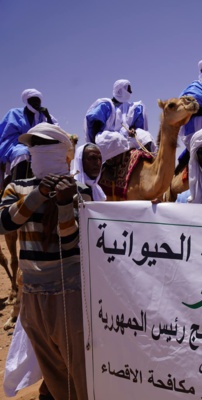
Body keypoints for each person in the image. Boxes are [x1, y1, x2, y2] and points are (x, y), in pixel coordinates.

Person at [0, 122, 91, 400]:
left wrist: (65, 204)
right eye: (34, 146)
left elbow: (71, 242)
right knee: (52, 369)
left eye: (45, 145)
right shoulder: (17, 188)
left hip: (71, 293)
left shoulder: (81, 192)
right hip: (33, 296)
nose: (38, 150)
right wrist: (39, 195)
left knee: (81, 370)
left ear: (63, 151)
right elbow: (5, 223)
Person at [84, 79, 154, 162]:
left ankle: (148, 162)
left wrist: (132, 130)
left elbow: (134, 125)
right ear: (120, 90)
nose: (131, 92)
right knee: (116, 139)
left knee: (145, 136)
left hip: (127, 136)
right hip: (108, 137)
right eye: (128, 90)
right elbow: (95, 124)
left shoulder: (132, 107)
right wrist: (94, 144)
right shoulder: (106, 105)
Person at [0, 89, 58, 181]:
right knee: (22, 153)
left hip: (39, 144)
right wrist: (25, 141)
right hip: (17, 145)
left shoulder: (44, 115)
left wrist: (48, 117)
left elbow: (54, 130)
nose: (36, 103)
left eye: (38, 100)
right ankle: (18, 185)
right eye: (33, 100)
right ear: (26, 101)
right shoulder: (14, 113)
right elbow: (8, 134)